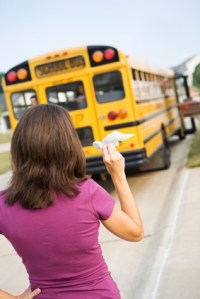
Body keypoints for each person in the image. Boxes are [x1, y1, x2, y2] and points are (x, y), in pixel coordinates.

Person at [0, 104, 143, 299]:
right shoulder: (89, 192)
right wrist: (118, 176)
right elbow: (134, 232)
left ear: (19, 148)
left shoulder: (3, 205)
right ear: (68, 145)